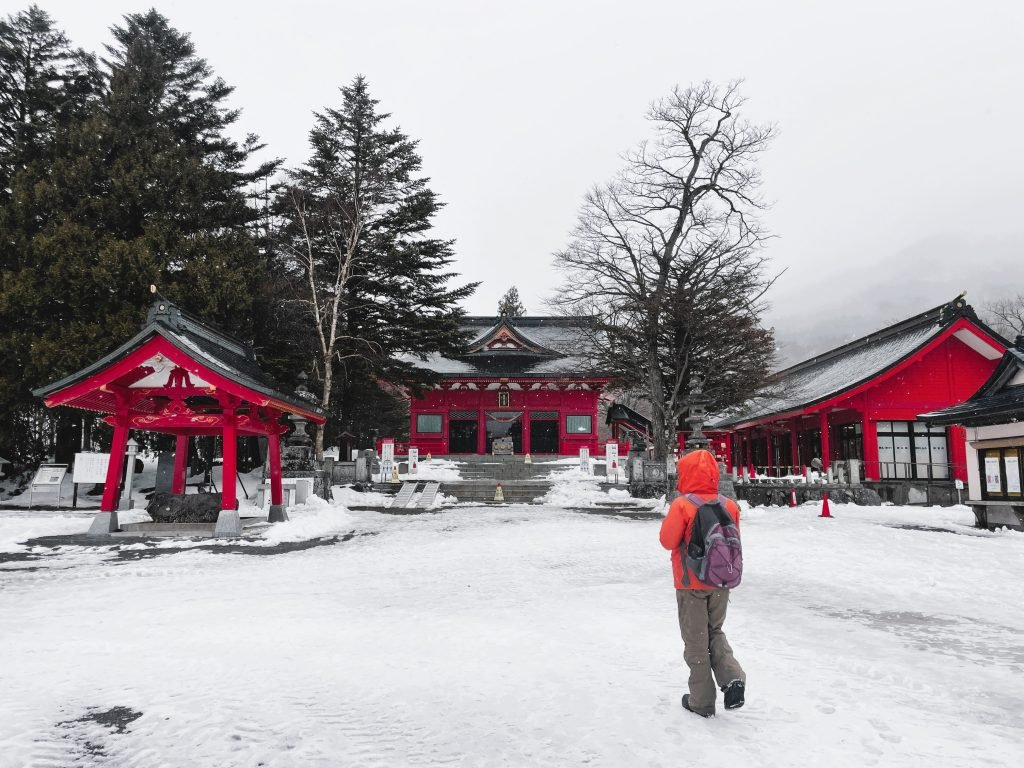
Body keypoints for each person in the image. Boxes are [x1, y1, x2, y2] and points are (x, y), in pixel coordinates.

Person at [659, 449, 746, 718]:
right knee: (715, 631)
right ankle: (732, 677)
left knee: (696, 640)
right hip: (721, 581)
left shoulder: (683, 505)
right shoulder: (728, 504)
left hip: (691, 582)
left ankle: (701, 701)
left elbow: (667, 541)